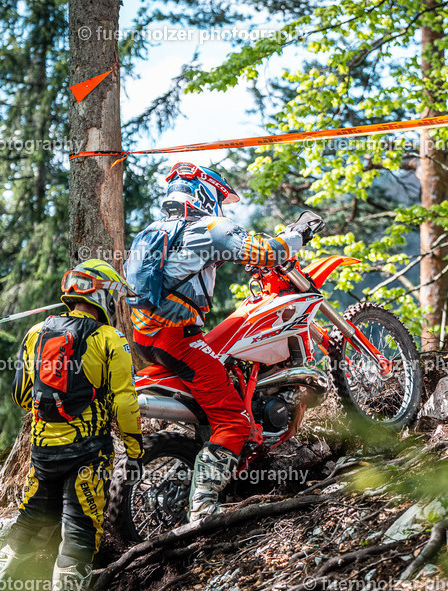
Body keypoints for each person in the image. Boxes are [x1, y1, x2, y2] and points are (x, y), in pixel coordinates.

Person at [125, 162, 319, 522]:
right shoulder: (207, 226)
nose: (223, 206)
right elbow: (266, 253)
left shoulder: (153, 231)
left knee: (226, 372)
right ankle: (203, 506)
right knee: (233, 420)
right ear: (207, 192)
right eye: (220, 199)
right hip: (179, 340)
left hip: (147, 338)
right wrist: (299, 233)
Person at [0, 259, 144, 591]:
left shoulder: (36, 333)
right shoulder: (109, 339)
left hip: (42, 453)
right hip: (88, 455)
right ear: (101, 295)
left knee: (28, 524)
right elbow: (126, 403)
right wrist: (135, 447)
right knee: (79, 535)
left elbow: (20, 395)